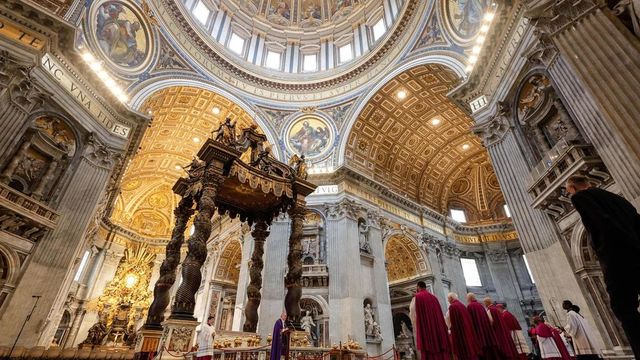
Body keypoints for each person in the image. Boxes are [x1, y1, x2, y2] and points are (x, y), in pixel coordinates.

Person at [566, 175, 640, 357]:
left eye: (569, 192)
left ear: (574, 189)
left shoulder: (580, 197)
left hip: (617, 258)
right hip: (638, 253)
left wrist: (604, 252)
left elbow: (601, 221)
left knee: (623, 307)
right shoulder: (619, 199)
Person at [412, 281, 450, 360]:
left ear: (418, 287)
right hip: (436, 328)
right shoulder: (434, 297)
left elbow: (413, 313)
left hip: (426, 328)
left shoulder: (418, 297)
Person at [466, 293, 501, 359]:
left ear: (469, 298)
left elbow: (469, 320)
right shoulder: (480, 305)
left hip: (478, 331)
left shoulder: (470, 306)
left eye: (467, 298)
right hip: (486, 330)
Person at [446, 292, 479, 360]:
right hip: (467, 331)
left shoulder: (452, 307)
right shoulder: (462, 305)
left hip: (460, 333)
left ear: (451, 298)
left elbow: (451, 322)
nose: (448, 301)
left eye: (448, 299)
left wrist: (449, 329)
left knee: (463, 351)